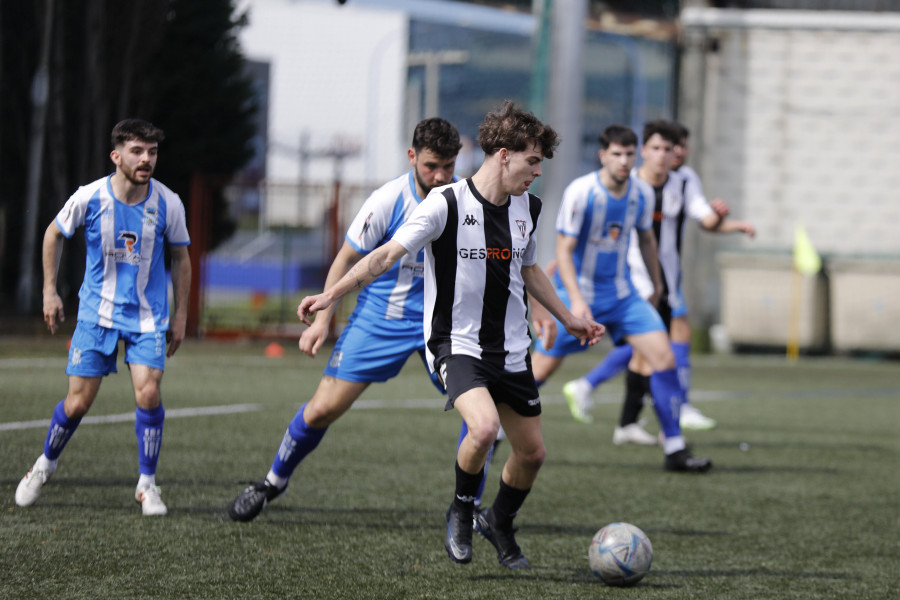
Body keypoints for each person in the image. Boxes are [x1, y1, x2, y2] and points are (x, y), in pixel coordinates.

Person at [296, 101, 604, 569]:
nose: (538, 171)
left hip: (513, 348)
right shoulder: (446, 204)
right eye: (533, 161)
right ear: (503, 155)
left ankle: (498, 521)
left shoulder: (529, 207)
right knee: (483, 427)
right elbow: (382, 257)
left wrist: (566, 318)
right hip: (457, 343)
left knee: (533, 453)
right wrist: (329, 297)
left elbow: (530, 268)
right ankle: (462, 509)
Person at [227, 118, 461, 522]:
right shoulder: (387, 200)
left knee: (483, 411)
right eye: (431, 166)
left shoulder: (464, 201)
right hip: (379, 320)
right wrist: (323, 322)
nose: (440, 176)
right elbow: (346, 259)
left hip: (441, 326)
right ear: (412, 157)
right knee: (321, 410)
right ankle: (272, 481)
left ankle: (467, 508)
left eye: (448, 166)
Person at [15, 118, 191, 516]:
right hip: (97, 312)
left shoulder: (168, 203)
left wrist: (181, 315)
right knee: (78, 404)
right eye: (137, 151)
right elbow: (53, 234)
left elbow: (181, 257)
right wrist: (49, 290)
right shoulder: (89, 197)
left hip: (148, 317)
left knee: (148, 392)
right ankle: (44, 465)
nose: (147, 159)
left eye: (152, 152)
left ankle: (147, 485)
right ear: (116, 156)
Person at [529, 124, 711, 473]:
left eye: (629, 154)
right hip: (581, 295)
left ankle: (675, 448)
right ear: (603, 155)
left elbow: (646, 240)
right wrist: (577, 302)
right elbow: (564, 252)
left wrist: (658, 286)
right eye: (617, 154)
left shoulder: (640, 194)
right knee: (539, 370)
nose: (624, 161)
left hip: (625, 296)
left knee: (663, 357)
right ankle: (495, 431)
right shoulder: (582, 192)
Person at [563, 121, 755, 442]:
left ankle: (627, 421)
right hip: (632, 284)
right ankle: (670, 415)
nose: (667, 154)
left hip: (665, 280)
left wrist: (725, 220)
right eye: (658, 148)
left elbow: (704, 218)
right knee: (656, 346)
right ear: (642, 152)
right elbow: (584, 236)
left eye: (672, 148)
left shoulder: (683, 182)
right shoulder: (628, 186)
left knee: (648, 352)